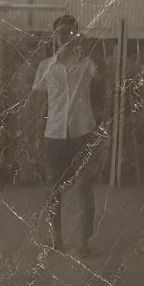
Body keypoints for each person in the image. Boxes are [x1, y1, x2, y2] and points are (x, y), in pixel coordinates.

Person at [30, 15, 103, 255]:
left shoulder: (86, 65)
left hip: (83, 133)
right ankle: (56, 240)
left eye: (69, 33)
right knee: (53, 189)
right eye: (60, 33)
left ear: (76, 35)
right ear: (54, 36)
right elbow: (40, 104)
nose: (64, 38)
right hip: (54, 134)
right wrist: (37, 137)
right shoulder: (45, 67)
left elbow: (103, 77)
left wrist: (86, 46)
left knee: (84, 187)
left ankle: (84, 243)